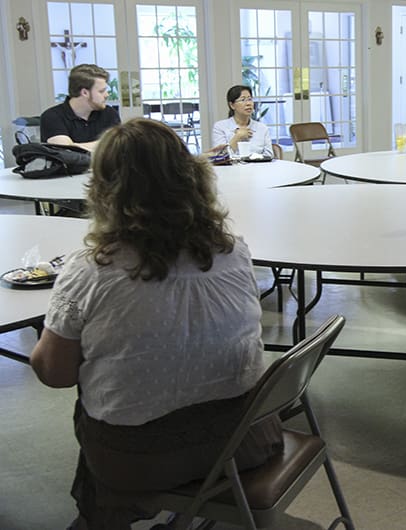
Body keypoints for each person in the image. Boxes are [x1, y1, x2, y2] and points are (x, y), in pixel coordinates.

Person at [29, 118, 283, 529]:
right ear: (192, 178)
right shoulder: (233, 251)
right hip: (247, 438)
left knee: (93, 403)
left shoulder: (93, 270)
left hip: (140, 459)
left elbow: (54, 373)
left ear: (104, 188)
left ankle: (105, 515)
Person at [40, 64, 121, 152]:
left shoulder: (109, 113)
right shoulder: (52, 116)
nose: (107, 95)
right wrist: (103, 144)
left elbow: (117, 145)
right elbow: (65, 151)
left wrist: (73, 145)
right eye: (101, 91)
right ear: (84, 92)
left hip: (104, 166)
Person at [211, 85, 273, 157]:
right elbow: (220, 156)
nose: (248, 104)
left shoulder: (262, 128)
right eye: (243, 100)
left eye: (249, 99)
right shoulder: (220, 127)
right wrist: (238, 136)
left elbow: (269, 156)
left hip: (258, 167)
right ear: (232, 105)